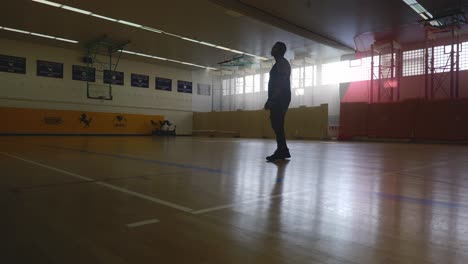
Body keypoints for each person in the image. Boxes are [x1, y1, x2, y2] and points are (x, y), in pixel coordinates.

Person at [264, 42, 291, 162]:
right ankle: (282, 149)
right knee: (276, 124)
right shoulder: (278, 63)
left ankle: (282, 150)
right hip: (279, 97)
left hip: (281, 97)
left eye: (274, 47)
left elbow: (281, 82)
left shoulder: (282, 63)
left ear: (280, 50)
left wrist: (272, 99)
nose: (272, 48)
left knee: (277, 123)